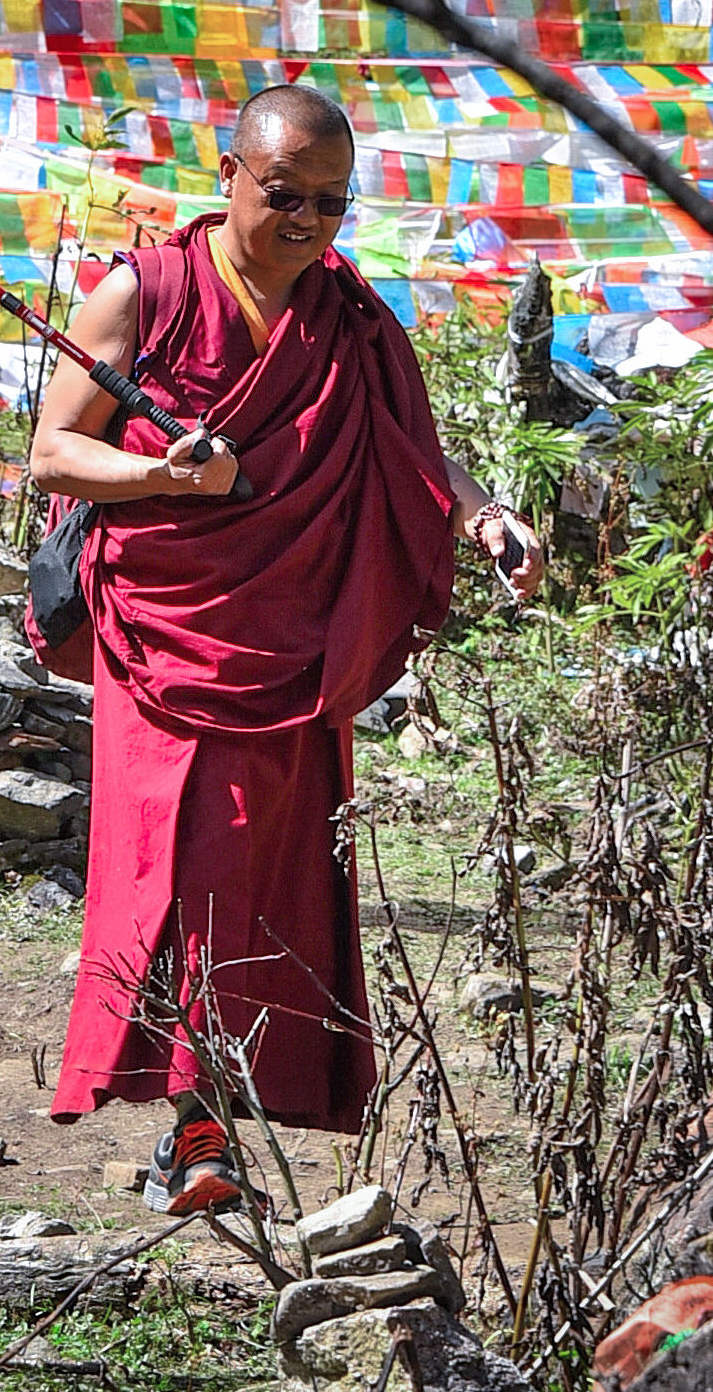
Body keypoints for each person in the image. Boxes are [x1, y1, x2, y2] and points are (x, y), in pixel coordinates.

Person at [29, 84, 543, 1216]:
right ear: (227, 174)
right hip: (163, 632)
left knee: (266, 883)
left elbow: (410, 454)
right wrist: (161, 476)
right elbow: (54, 454)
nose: (306, 222)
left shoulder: (347, 317)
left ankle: (208, 1122)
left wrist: (479, 516)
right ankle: (192, 1124)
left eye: (328, 202)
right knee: (177, 872)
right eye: (283, 195)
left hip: (293, 644)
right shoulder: (145, 291)